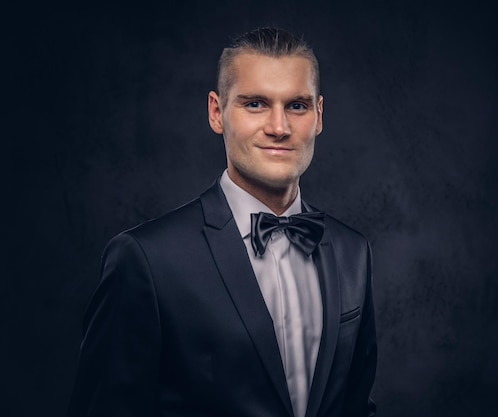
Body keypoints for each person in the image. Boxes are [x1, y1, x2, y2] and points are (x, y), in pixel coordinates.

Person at [67, 27, 377, 417]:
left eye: (296, 106)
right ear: (217, 112)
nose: (279, 127)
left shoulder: (353, 252)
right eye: (255, 104)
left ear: (318, 115)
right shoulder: (146, 260)